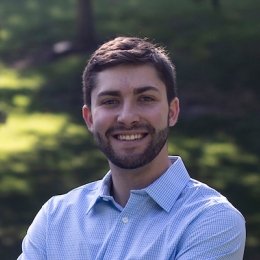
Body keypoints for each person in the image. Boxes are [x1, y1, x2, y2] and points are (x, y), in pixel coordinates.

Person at [18, 36, 246, 259]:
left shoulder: (212, 220)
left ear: (172, 112)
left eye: (146, 99)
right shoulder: (55, 218)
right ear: (89, 118)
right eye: (110, 101)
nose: (127, 117)